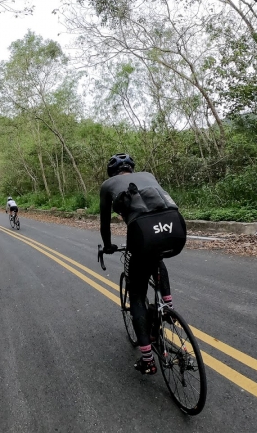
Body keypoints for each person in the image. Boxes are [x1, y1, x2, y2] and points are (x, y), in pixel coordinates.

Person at [99, 153, 186, 375]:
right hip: (175, 227)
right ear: (132, 168)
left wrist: (108, 245)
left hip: (142, 232)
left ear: (113, 172)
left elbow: (105, 224)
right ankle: (167, 305)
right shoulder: (148, 175)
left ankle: (147, 360)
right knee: (156, 256)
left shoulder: (108, 185)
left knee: (136, 296)